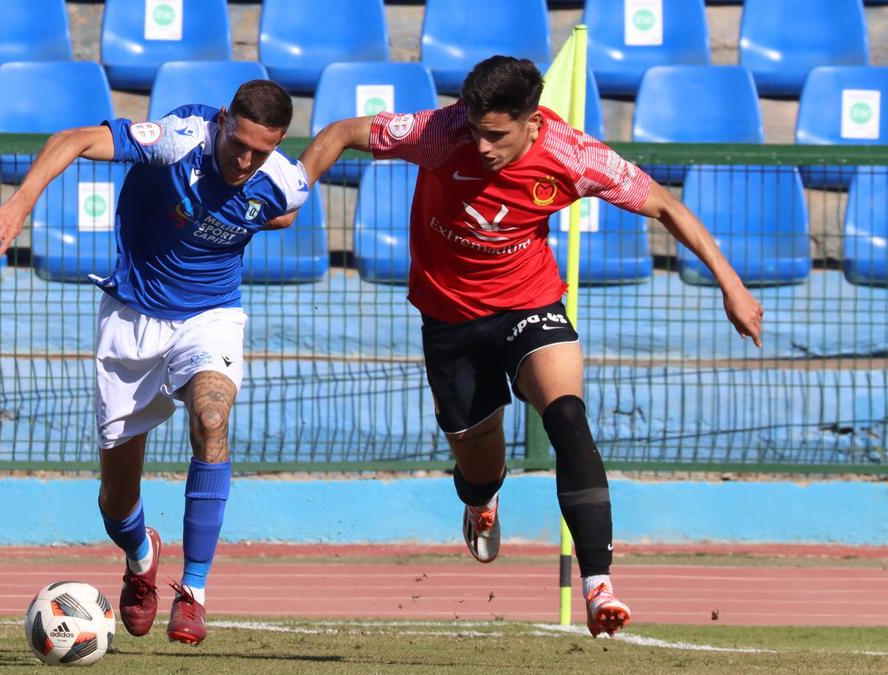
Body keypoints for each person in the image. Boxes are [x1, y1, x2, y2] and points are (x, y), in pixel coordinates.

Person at [299, 56, 764, 637]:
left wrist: (733, 286)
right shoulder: (439, 133)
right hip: (449, 320)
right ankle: (481, 500)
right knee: (478, 462)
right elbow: (343, 131)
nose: (483, 146)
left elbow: (667, 206)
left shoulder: (573, 156)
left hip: (529, 304)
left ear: (531, 121)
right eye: (475, 131)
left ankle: (599, 586)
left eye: (496, 135)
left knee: (568, 416)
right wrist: (295, 189)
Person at [0, 80, 310, 646]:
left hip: (210, 315)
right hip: (131, 319)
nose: (247, 161)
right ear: (224, 120)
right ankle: (139, 554)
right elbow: (75, 138)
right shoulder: (179, 138)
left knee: (211, 418)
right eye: (240, 145)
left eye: (263, 152)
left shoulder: (281, 180)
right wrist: (20, 202)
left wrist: (250, 209)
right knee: (116, 501)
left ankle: (194, 593)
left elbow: (282, 211)